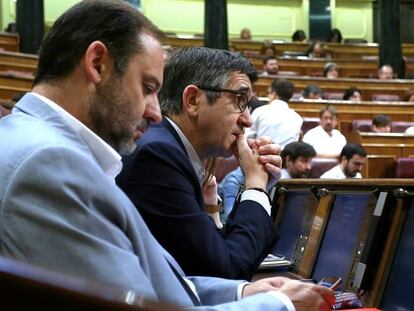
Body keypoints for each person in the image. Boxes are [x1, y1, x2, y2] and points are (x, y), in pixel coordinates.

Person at [0, 1, 334, 310]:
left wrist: (243, 293)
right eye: (147, 88)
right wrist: (282, 306)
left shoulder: (36, 144)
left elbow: (144, 284)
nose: (156, 113)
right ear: (97, 64)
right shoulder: (49, 163)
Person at [117, 47, 284, 281]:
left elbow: (212, 249)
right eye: (239, 101)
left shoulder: (167, 146)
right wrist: (256, 186)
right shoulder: (158, 156)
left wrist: (247, 188)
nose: (247, 120)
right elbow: (223, 270)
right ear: (193, 100)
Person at [220, 79, 304, 219]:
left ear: (273, 94)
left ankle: (227, 219)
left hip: (258, 162)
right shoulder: (297, 118)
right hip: (280, 168)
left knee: (233, 179)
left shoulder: (260, 111)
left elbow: (245, 140)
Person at [219, 142, 316, 218]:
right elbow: (229, 217)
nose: (308, 167)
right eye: (303, 161)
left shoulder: (275, 178)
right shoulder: (234, 180)